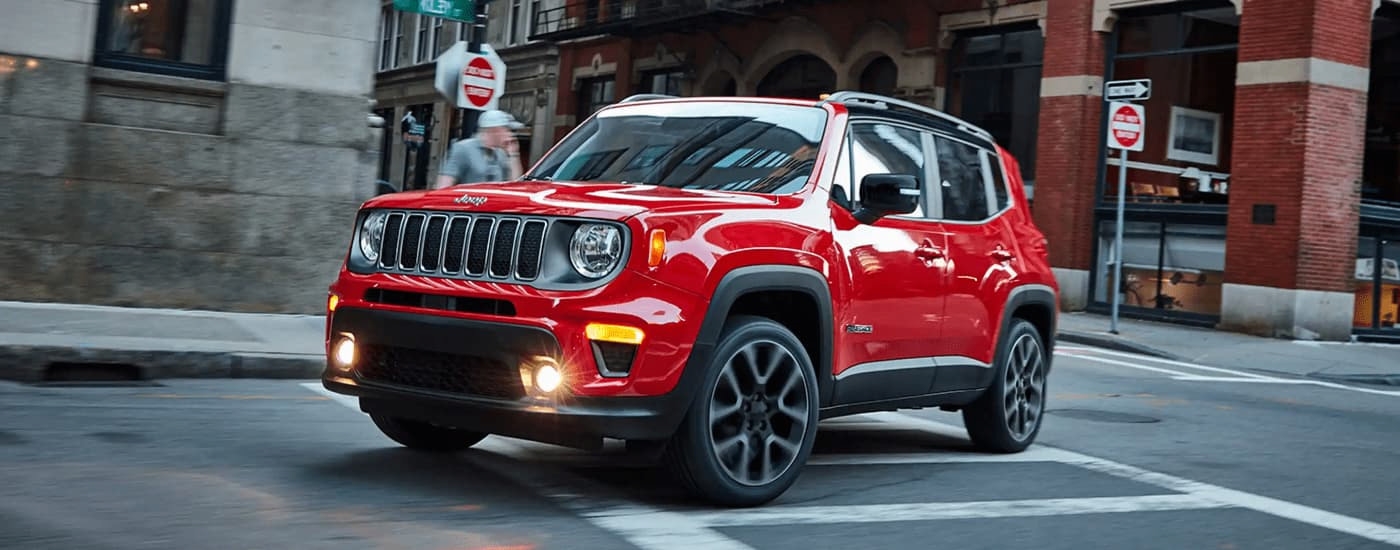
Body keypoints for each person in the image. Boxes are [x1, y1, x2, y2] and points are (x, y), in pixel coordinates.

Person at [434, 109, 525, 189]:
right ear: (495, 130)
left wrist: (514, 154)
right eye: (507, 130)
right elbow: (444, 185)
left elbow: (514, 185)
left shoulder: (501, 154)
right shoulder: (463, 149)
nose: (510, 134)